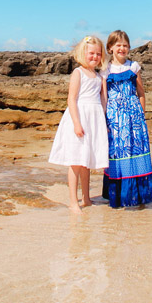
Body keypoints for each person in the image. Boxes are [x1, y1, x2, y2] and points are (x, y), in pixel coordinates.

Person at [48, 35, 109, 214]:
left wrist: (104, 122)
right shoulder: (78, 73)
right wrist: (76, 123)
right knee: (75, 161)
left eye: (98, 54)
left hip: (94, 119)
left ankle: (87, 198)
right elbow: (71, 99)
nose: (94, 57)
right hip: (80, 117)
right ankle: (73, 201)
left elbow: (103, 100)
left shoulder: (99, 76)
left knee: (86, 162)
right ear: (83, 53)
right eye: (91, 53)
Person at [101, 30, 152, 207]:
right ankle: (119, 195)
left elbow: (141, 93)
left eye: (125, 45)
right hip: (114, 118)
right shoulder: (105, 69)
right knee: (118, 152)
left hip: (134, 117)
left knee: (136, 151)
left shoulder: (134, 67)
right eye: (118, 45)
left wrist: (141, 114)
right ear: (110, 48)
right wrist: (104, 119)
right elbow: (103, 96)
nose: (122, 48)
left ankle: (140, 194)